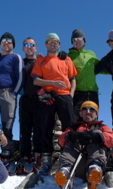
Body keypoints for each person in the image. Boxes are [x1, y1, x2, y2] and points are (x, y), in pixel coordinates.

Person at [31, 33, 77, 176]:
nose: (52, 44)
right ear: (45, 45)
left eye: (55, 42)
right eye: (50, 42)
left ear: (59, 44)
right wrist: (52, 83)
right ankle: (46, 163)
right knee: (46, 128)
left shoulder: (66, 59)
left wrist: (71, 95)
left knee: (69, 128)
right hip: (48, 97)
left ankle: (68, 160)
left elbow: (73, 79)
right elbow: (36, 81)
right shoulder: (41, 61)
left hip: (65, 96)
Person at [55, 101, 113, 189]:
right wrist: (70, 136)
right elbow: (61, 140)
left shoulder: (102, 127)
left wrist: (98, 137)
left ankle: (94, 171)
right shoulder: (74, 127)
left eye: (92, 109)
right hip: (76, 164)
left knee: (97, 136)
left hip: (95, 160)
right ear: (80, 113)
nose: (88, 111)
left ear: (96, 114)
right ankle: (65, 172)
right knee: (70, 140)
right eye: (84, 109)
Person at [0, 32, 24, 159]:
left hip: (9, 93)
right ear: (0, 43)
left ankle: (6, 152)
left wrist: (14, 93)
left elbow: (20, 76)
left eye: (9, 41)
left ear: (13, 44)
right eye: (4, 40)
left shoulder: (16, 57)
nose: (6, 42)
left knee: (7, 123)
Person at [11, 37, 42, 174]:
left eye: (32, 45)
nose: (29, 47)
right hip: (25, 98)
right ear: (23, 48)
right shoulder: (20, 63)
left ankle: (38, 156)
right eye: (26, 45)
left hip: (39, 99)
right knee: (25, 129)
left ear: (36, 48)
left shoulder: (41, 61)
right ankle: (25, 157)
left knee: (39, 129)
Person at [68, 29, 100, 121]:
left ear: (84, 40)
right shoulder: (68, 56)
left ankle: (93, 135)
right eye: (74, 39)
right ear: (72, 42)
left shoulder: (91, 54)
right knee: (76, 119)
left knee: (93, 119)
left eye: (79, 38)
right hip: (78, 93)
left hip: (92, 92)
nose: (77, 41)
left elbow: (101, 67)